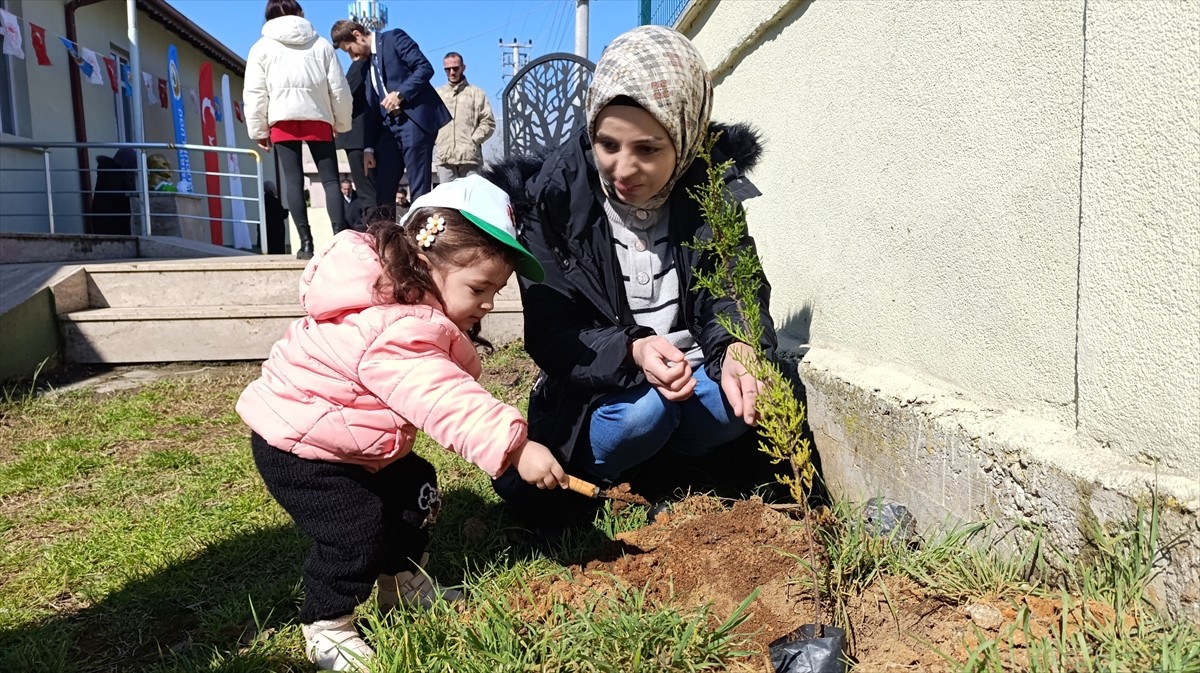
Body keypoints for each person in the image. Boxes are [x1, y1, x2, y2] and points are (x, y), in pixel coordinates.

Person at [236, 174, 563, 672]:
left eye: (496, 290)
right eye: (480, 288)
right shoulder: (394, 326)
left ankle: (401, 584)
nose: (490, 304)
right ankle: (328, 623)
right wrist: (515, 447)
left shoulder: (405, 307)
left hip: (351, 439)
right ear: (425, 263)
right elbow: (441, 395)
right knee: (355, 529)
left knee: (415, 490)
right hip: (301, 447)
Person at [484, 26, 777, 534]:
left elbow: (735, 287)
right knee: (644, 416)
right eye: (608, 143)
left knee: (748, 395)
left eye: (648, 148)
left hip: (692, 374)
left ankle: (669, 469)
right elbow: (556, 331)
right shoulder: (553, 200)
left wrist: (737, 344)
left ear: (684, 139)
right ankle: (602, 477)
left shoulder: (710, 190)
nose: (624, 168)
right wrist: (632, 350)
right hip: (604, 388)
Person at [244, 0, 352, 260]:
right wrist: (341, 122)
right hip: (318, 117)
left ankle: (306, 244)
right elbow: (339, 89)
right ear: (300, 14)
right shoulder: (322, 45)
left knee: (293, 181)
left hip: (282, 119)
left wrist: (258, 129)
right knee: (330, 180)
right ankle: (339, 240)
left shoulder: (261, 48)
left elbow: (256, 92)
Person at [330, 19, 450, 215]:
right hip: (388, 128)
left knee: (418, 186)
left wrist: (400, 93)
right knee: (384, 190)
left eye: (350, 49)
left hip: (413, 121)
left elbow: (424, 68)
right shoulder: (366, 64)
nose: (352, 56)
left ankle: (419, 238)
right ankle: (385, 239)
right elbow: (370, 108)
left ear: (357, 35)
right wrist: (368, 147)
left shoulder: (394, 38)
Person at [434, 52, 495, 183]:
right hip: (444, 159)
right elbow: (429, 122)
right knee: (447, 201)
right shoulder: (437, 94)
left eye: (455, 68)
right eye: (447, 69)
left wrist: (473, 140)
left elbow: (488, 122)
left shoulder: (477, 93)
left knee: (471, 200)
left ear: (463, 67)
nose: (452, 72)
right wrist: (437, 142)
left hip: (470, 160)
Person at [335, 58, 377, 216]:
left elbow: (346, 94)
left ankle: (374, 231)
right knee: (372, 191)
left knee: (367, 192)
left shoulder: (361, 64)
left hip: (359, 137)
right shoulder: (373, 63)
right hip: (365, 136)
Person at [262, 180, 289, 254]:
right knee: (278, 248)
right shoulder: (274, 201)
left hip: (268, 228)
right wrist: (287, 211)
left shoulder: (263, 200)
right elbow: (281, 214)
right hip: (277, 229)